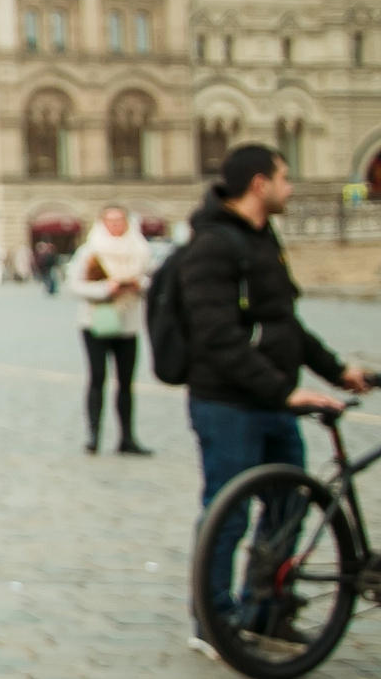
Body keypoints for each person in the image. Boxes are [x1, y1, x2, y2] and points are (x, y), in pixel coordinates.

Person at [179, 144, 373, 642]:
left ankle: (266, 609)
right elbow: (216, 337)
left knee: (289, 504)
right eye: (285, 178)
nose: (292, 188)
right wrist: (285, 392)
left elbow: (284, 324)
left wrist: (337, 370)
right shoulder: (212, 246)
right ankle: (214, 619)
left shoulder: (264, 238)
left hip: (271, 402)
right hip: (227, 403)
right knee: (229, 510)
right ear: (259, 184)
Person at [68, 205, 151, 454]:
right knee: (97, 378)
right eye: (110, 221)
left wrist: (139, 284)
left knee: (126, 382)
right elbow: (74, 285)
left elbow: (152, 280)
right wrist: (106, 289)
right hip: (95, 323)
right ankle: (93, 435)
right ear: (102, 223)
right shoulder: (90, 251)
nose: (116, 225)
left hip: (127, 323)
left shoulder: (140, 249)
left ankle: (127, 437)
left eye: (120, 220)